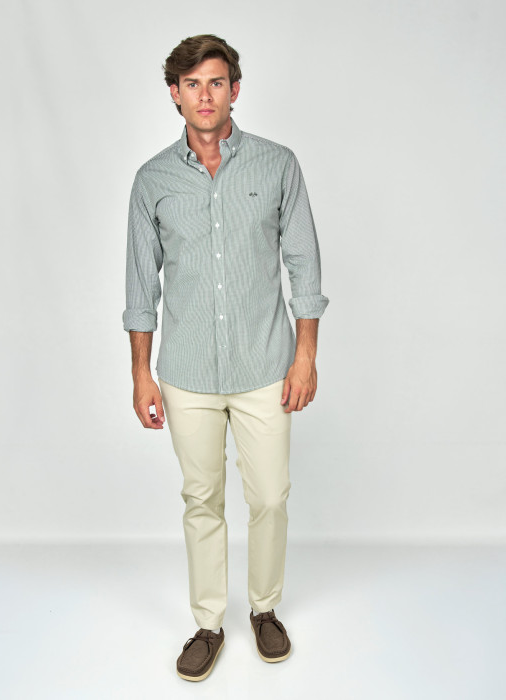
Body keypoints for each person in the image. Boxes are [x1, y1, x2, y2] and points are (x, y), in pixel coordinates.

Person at [123, 34, 329, 682]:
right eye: (192, 85)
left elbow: (305, 266)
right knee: (201, 498)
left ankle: (264, 609)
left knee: (269, 496)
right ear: (175, 94)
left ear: (234, 89)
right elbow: (140, 287)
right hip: (186, 373)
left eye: (215, 82)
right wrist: (140, 373)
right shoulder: (152, 181)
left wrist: (305, 356)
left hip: (266, 365)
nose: (204, 96)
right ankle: (208, 623)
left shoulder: (278, 166)